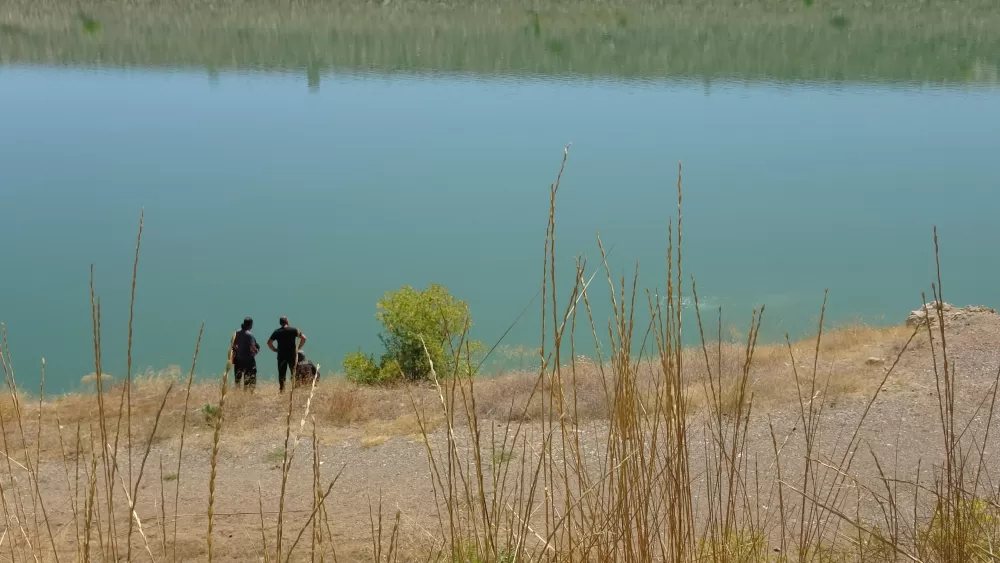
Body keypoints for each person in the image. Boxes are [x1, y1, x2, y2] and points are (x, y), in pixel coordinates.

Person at [267, 316, 307, 392]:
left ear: (280, 323)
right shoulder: (294, 330)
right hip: (292, 355)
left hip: (281, 355)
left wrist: (275, 350)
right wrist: (298, 347)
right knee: (294, 372)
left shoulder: (277, 332)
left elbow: (269, 343)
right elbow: (304, 338)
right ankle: (295, 388)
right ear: (287, 322)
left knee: (282, 373)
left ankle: (282, 390)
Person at [231, 317, 260, 390]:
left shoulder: (237, 332)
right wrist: (257, 351)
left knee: (237, 378)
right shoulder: (249, 335)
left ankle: (237, 392)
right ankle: (247, 392)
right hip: (248, 360)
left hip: (238, 359)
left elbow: (233, 344)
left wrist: (238, 349)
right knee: (250, 377)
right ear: (250, 324)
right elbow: (252, 347)